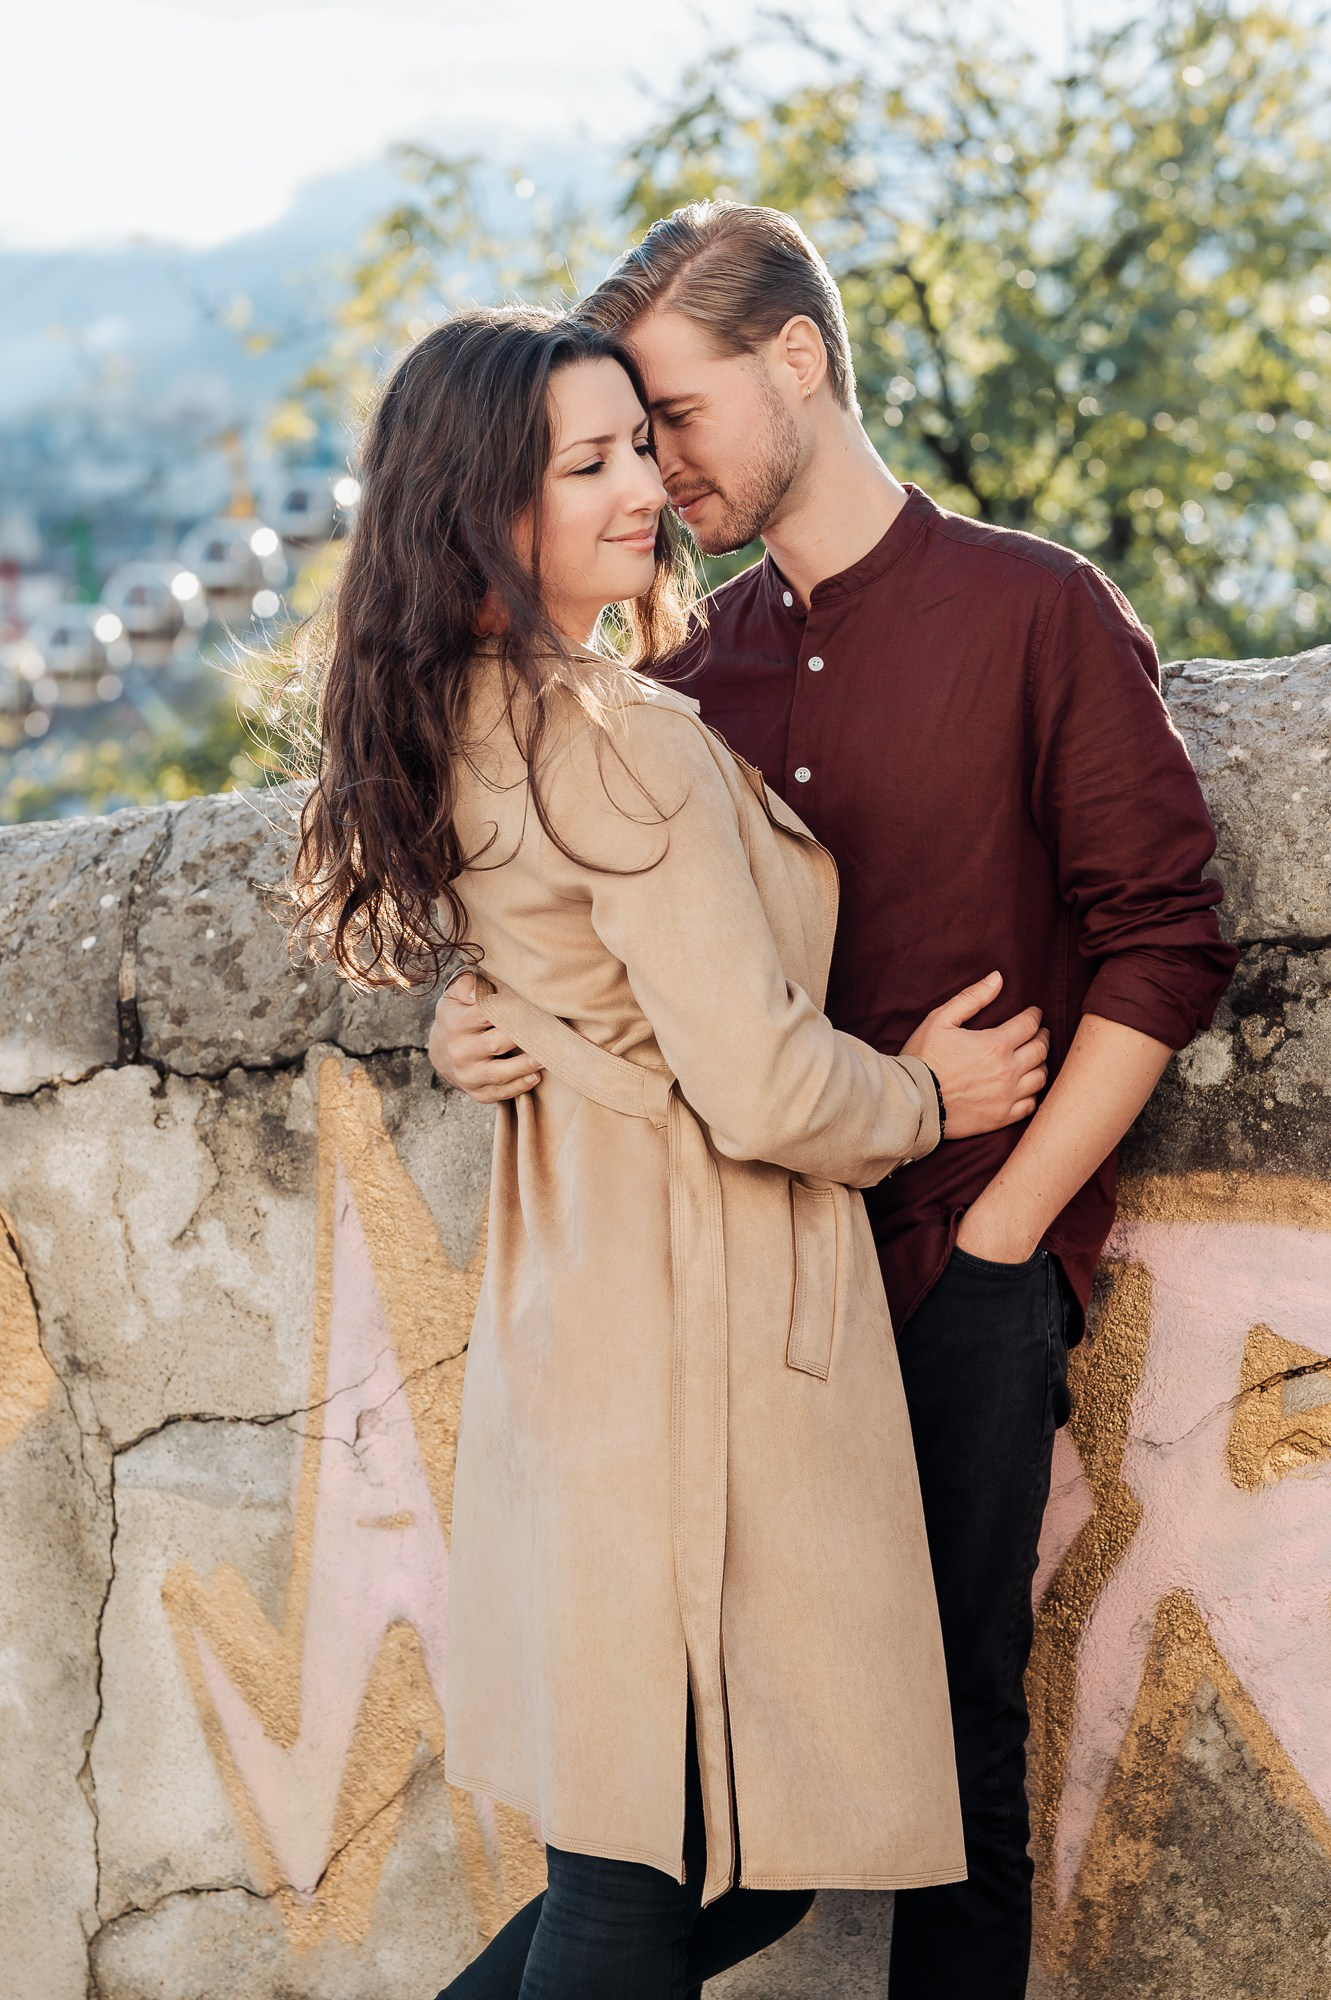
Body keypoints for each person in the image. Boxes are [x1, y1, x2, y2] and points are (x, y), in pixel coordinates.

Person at [429, 206, 1240, 2000]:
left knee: (948, 1768)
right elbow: (591, 927)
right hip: (734, 1304)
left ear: (798, 358)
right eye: (624, 439)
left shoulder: (1035, 610)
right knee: (698, 1807)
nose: (660, 467)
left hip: (954, 1270)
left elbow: (1164, 942)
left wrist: (1013, 1223)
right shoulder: (677, 685)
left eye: (676, 417)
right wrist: (471, 1016)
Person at [288, 304, 1051, 2000]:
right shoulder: (612, 739)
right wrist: (929, 1098)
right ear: (486, 510)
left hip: (590, 1316)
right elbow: (770, 1088)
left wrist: (487, 1026)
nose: (645, 487)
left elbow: (550, 975)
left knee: (677, 1866)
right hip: (689, 1338)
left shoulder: (476, 717)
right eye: (590, 463)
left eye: (642, 441)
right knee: (658, 1879)